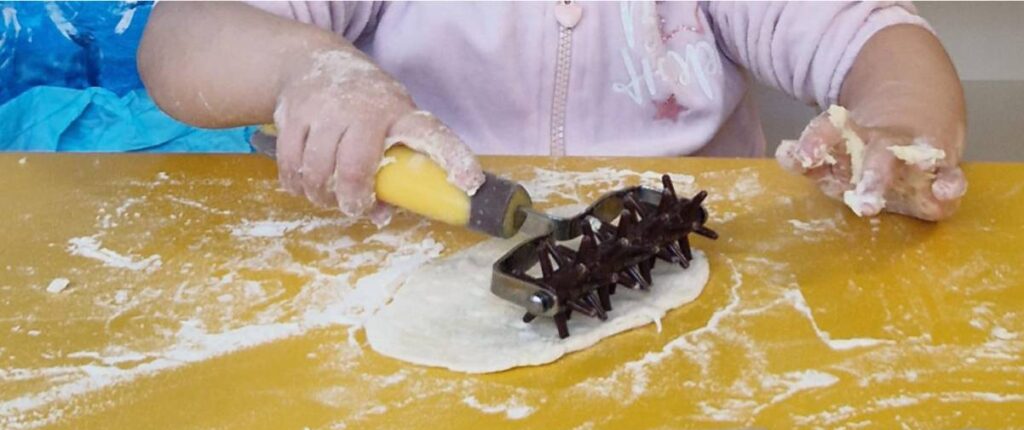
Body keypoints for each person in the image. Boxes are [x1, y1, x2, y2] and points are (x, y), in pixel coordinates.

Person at [138, 1, 966, 223]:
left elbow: (873, 36)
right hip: (399, 259)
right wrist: (306, 69)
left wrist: (897, 129)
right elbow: (184, 33)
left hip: (688, 273)